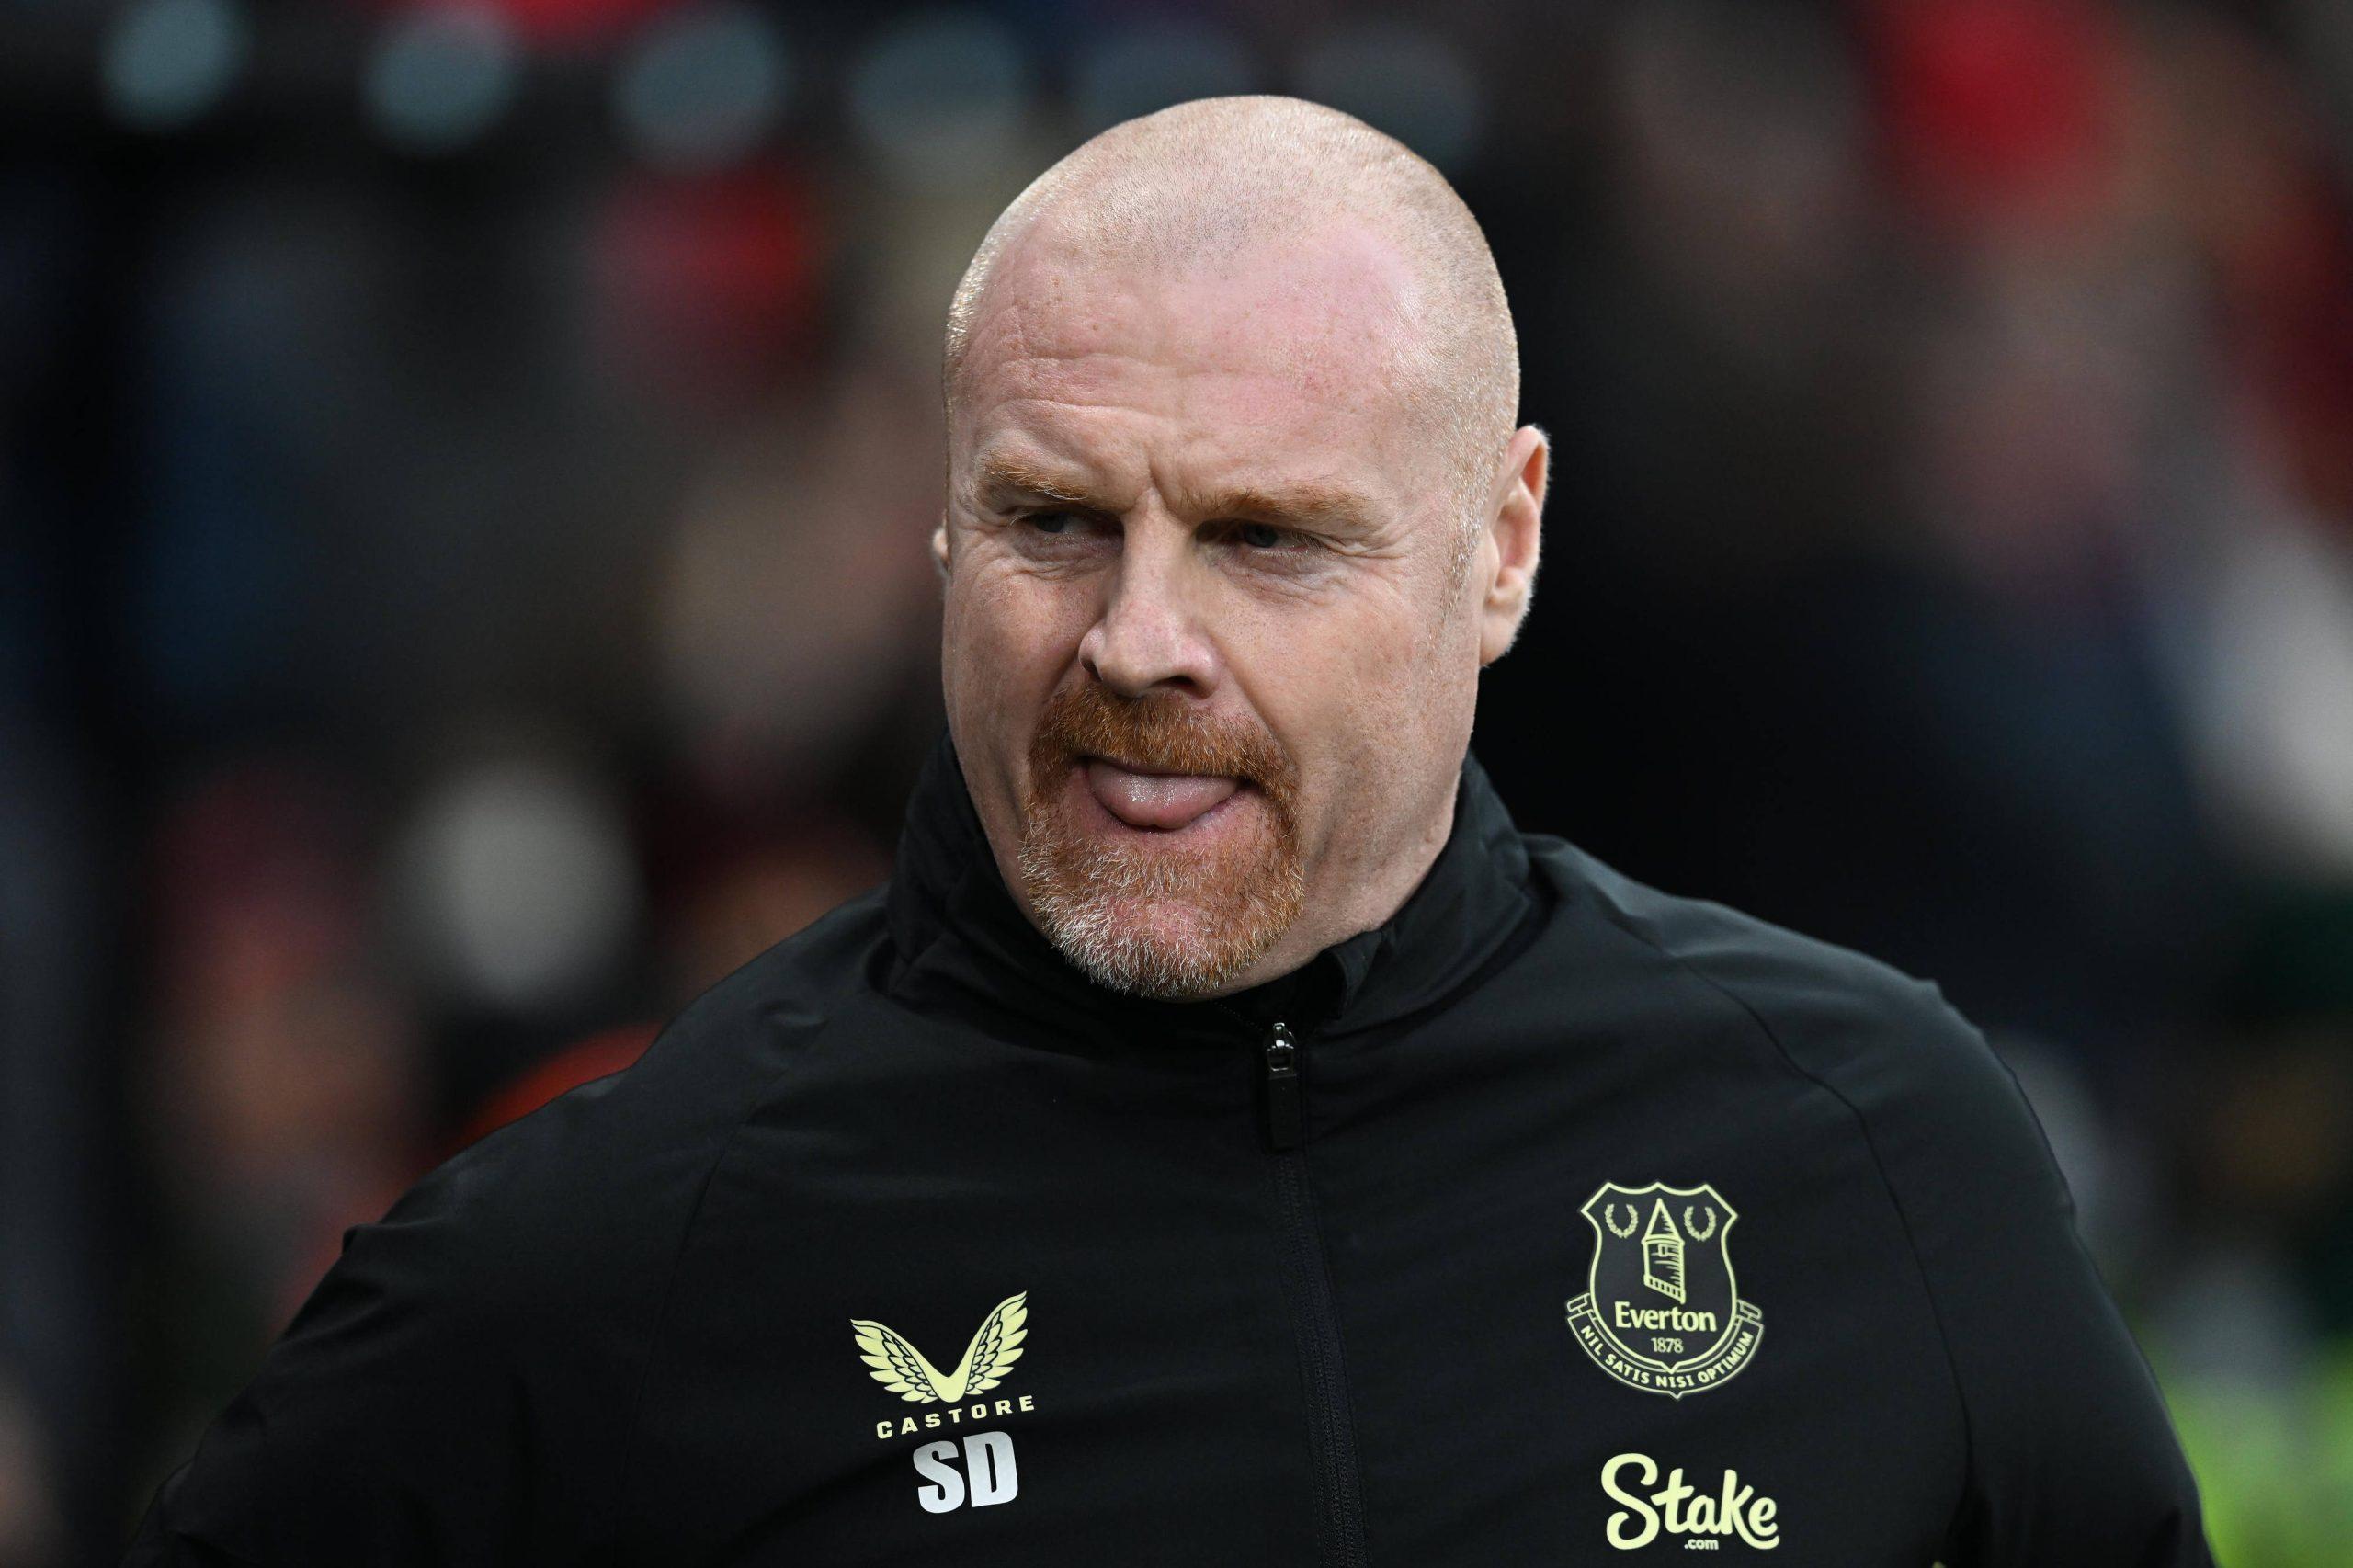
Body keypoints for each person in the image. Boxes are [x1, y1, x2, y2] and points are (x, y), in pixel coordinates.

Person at [126, 95, 2211, 1565]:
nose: (1136, 637)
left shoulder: (1866, 1141)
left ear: (1499, 546)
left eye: (1262, 538)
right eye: (1052, 519)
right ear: (942, 523)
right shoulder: (597, 1261)